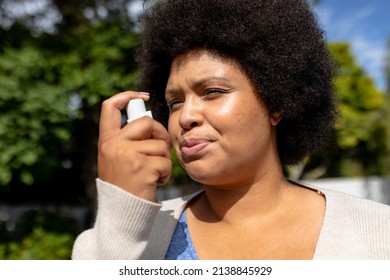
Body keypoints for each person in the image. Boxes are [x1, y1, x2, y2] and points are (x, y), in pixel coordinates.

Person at [72, 0, 390, 259]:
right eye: (174, 102)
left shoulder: (379, 234)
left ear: (276, 103)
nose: (186, 117)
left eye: (212, 92)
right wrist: (123, 216)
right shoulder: (107, 244)